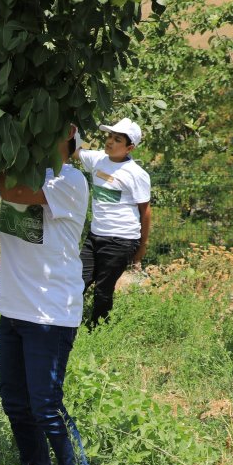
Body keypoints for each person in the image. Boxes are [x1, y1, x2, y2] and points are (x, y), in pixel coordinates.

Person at [0, 124, 97, 465]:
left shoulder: (69, 181)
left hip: (50, 313)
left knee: (47, 407)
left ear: (68, 143)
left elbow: (12, 192)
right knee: (15, 403)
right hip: (14, 307)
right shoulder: (25, 170)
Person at [77, 117, 152, 328]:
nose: (109, 141)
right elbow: (73, 151)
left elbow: (145, 211)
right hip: (95, 236)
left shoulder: (137, 174)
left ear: (130, 147)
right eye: (110, 136)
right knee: (76, 281)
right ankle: (68, 324)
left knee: (103, 290)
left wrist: (141, 247)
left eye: (117, 139)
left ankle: (97, 330)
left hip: (121, 240)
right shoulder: (97, 159)